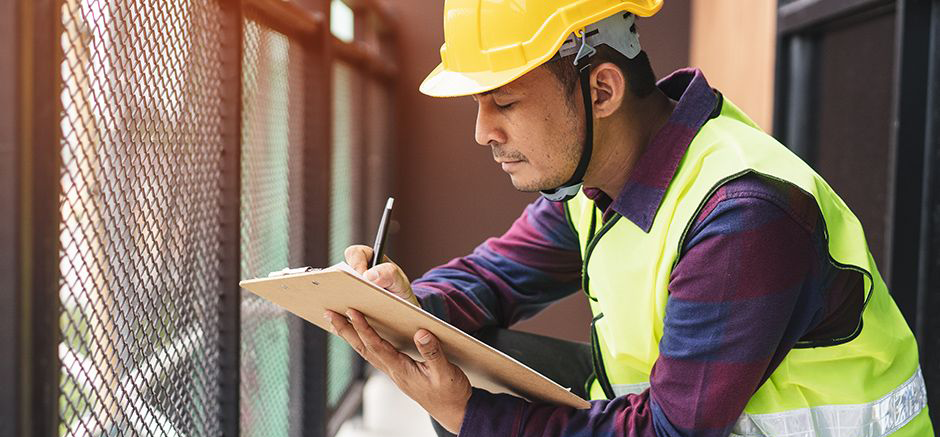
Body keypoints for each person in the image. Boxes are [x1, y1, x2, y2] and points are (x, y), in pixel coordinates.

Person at [324, 1, 933, 436]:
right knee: (456, 364)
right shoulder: (598, 183)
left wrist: (470, 417)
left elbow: (669, 433)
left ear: (603, 91)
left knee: (475, 407)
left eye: (503, 101)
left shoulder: (743, 217)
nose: (483, 132)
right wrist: (406, 306)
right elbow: (493, 278)